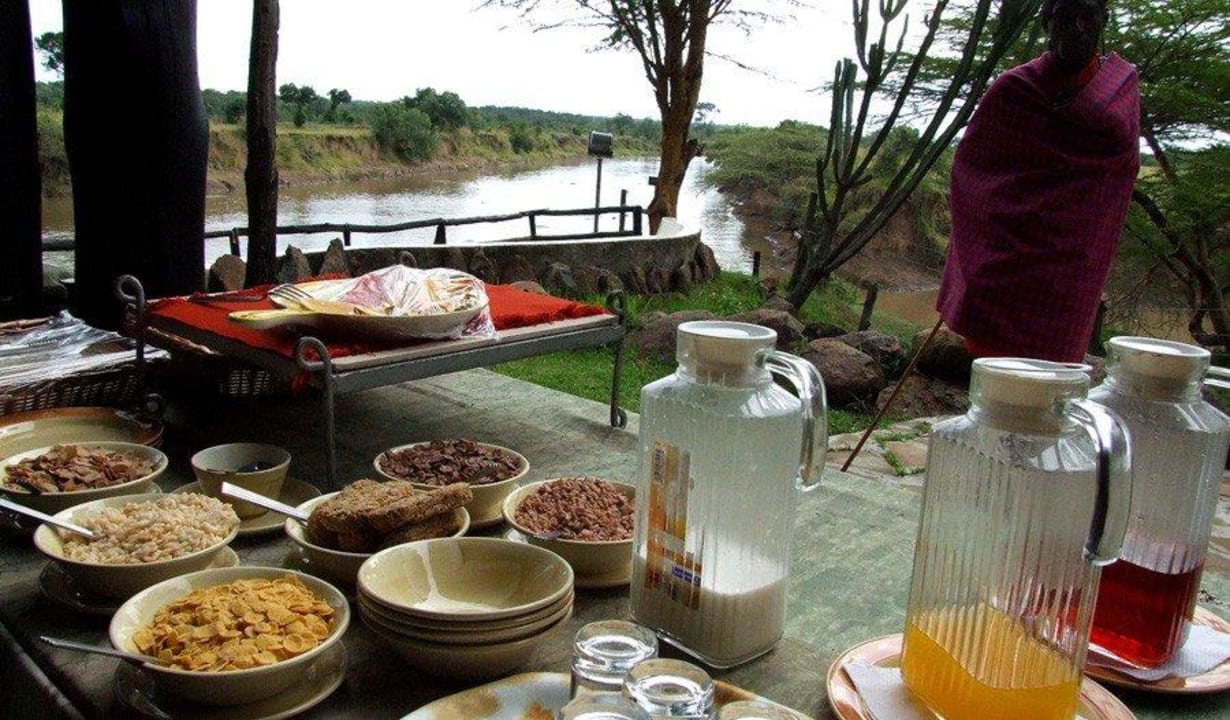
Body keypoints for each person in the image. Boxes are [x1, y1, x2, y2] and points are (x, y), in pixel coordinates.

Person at [935, 0, 1140, 363]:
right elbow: (972, 175)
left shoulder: (1118, 95)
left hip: (1070, 272)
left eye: (1086, 16)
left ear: (1102, 21)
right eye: (1063, 16)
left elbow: (1116, 179)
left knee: (1052, 388)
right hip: (1006, 268)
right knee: (999, 383)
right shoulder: (1013, 90)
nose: (1075, 28)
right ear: (1045, 22)